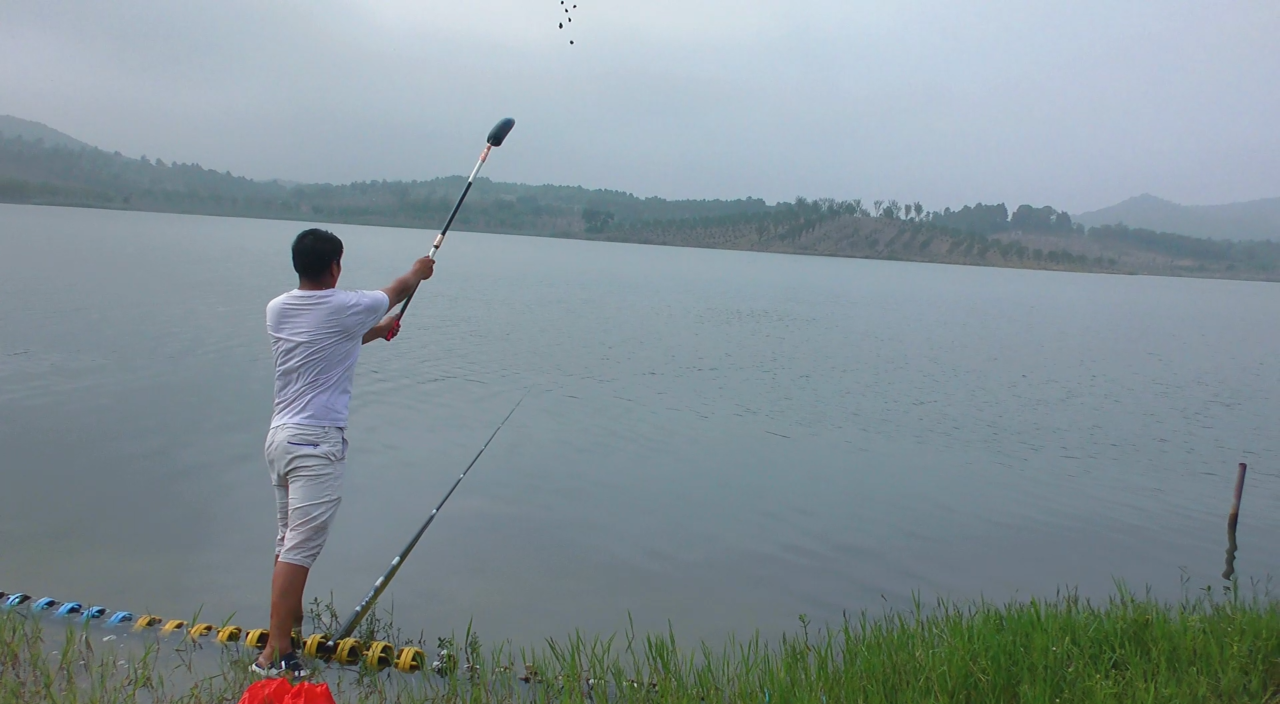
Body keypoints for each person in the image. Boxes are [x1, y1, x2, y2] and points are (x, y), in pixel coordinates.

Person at [252, 227, 434, 678]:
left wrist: (375, 333)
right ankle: (275, 651)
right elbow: (397, 290)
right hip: (316, 444)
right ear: (334, 266)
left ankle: (286, 633)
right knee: (300, 546)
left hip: (280, 440)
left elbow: (330, 340)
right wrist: (420, 270)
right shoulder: (345, 305)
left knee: (287, 541)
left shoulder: (279, 309)